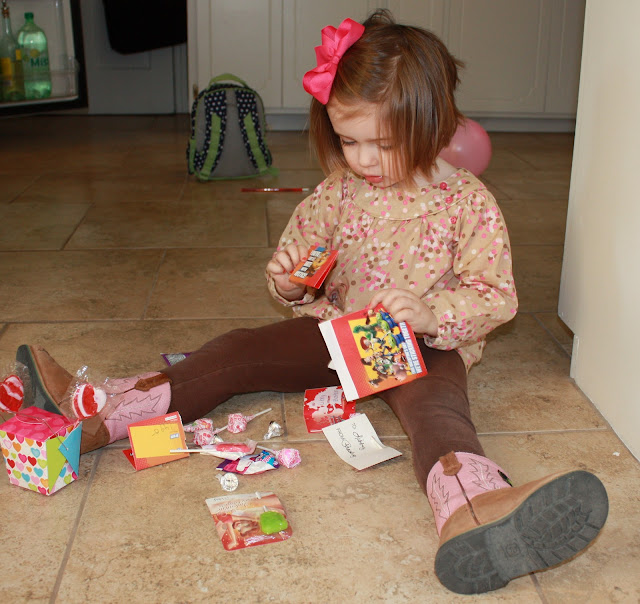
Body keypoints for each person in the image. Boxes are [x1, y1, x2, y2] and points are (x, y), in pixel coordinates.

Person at [16, 10, 607, 595]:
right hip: (337, 331)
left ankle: (476, 512)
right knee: (237, 352)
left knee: (437, 414)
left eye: (383, 144)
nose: (364, 160)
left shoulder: (467, 202)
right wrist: (290, 286)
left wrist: (433, 316)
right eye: (349, 141)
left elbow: (495, 296)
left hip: (423, 346)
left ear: (432, 124)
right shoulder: (339, 192)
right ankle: (98, 412)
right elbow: (301, 263)